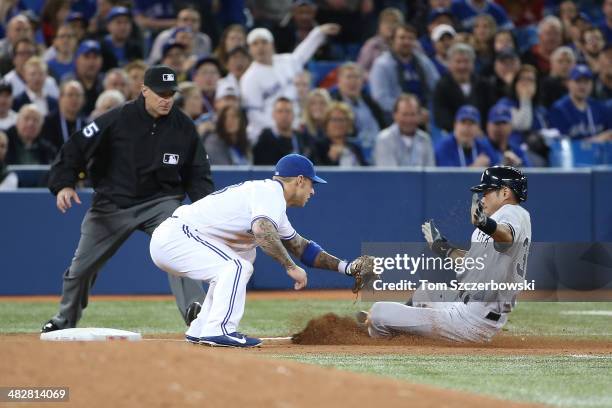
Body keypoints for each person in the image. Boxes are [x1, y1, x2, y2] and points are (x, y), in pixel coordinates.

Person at [40, 65, 214, 333]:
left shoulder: (183, 127)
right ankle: (65, 320)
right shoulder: (117, 118)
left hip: (160, 202)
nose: (166, 98)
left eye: (170, 93)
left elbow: (198, 173)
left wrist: (205, 210)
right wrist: (64, 183)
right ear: (144, 90)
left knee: (180, 247)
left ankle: (197, 313)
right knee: (81, 267)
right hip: (112, 203)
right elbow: (76, 146)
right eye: (160, 93)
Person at [149, 153, 370, 347]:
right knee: (237, 266)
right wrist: (290, 267)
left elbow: (302, 248)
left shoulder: (271, 201)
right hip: (177, 236)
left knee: (239, 260)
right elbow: (262, 230)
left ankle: (202, 328)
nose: (313, 191)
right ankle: (220, 330)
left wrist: (346, 267)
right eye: (312, 184)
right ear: (300, 180)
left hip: (179, 238)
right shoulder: (270, 193)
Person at [360, 166, 531, 344]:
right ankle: (398, 329)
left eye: (487, 191)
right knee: (425, 293)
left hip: (472, 320)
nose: (483, 197)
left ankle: (383, 339)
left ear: (505, 193)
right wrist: (445, 248)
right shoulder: (506, 217)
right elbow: (475, 264)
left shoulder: (512, 212)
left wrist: (484, 223)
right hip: (474, 309)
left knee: (379, 313)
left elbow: (506, 236)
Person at [240, 24, 340, 143]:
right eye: (255, 44)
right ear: (250, 50)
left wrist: (319, 32)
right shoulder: (249, 78)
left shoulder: (285, 61)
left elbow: (302, 54)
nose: (260, 47)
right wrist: (281, 127)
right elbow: (255, 116)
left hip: (297, 125)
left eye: (264, 42)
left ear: (272, 44)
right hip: (269, 134)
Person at [369, 24, 439, 116]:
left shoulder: (424, 62)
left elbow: (437, 88)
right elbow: (380, 98)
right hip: (393, 115)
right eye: (402, 38)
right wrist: (408, 113)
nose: (406, 42)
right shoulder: (382, 64)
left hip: (424, 113)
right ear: (393, 40)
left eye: (410, 38)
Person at [432, 43, 495, 132]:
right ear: (449, 64)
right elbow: (441, 117)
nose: (462, 66)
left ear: (473, 64)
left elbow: (490, 113)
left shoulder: (484, 85)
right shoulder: (441, 86)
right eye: (458, 62)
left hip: (482, 134)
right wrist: (465, 130)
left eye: (466, 61)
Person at [330, 62, 386, 160]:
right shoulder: (332, 103)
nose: (353, 81)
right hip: (353, 153)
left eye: (356, 77)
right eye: (349, 77)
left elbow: (384, 125)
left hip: (380, 149)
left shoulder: (370, 102)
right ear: (339, 81)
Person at [548, 64, 612, 141]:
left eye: (586, 82)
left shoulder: (601, 108)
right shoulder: (559, 110)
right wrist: (596, 140)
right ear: (568, 83)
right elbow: (560, 143)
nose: (582, 86)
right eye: (578, 81)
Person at [374, 94, 435, 167]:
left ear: (419, 116)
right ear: (395, 115)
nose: (408, 120)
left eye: (412, 114)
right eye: (404, 114)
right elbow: (388, 175)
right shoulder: (384, 139)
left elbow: (430, 173)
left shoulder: (425, 140)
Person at [253, 97, 316, 165]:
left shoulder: (304, 139)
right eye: (280, 111)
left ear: (293, 115)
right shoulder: (264, 140)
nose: (284, 115)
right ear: (273, 115)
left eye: (288, 111)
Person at [148, 6, 212, 66]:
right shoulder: (164, 37)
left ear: (199, 24)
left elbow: (205, 63)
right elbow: (154, 62)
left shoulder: (204, 39)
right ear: (177, 22)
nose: (189, 23)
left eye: (194, 20)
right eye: (185, 20)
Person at [316, 102, 366, 167]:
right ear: (326, 123)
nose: (338, 124)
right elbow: (315, 173)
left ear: (349, 123)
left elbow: (366, 170)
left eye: (342, 120)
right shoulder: (318, 147)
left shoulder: (355, 147)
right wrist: (331, 159)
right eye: (334, 120)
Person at [41, 80, 85, 151]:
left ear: (83, 99)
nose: (74, 99)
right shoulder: (48, 122)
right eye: (70, 95)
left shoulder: (87, 123)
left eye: (78, 95)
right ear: (60, 98)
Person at [357, 7, 404, 74]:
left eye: (394, 22)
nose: (390, 26)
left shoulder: (409, 44)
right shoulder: (372, 44)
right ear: (379, 26)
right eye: (387, 22)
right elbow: (360, 70)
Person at [68, 40, 104, 116]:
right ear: (77, 60)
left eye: (95, 57)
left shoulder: (106, 82)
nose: (91, 62)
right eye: (86, 57)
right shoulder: (68, 83)